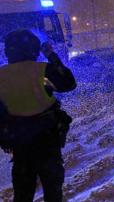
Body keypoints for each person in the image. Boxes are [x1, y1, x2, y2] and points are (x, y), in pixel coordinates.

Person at [0, 29, 76, 202]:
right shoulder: (43, 69)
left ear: (8, 51)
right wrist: (50, 55)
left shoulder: (1, 75)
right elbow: (69, 84)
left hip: (19, 141)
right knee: (53, 191)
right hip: (47, 139)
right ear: (34, 49)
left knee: (23, 192)